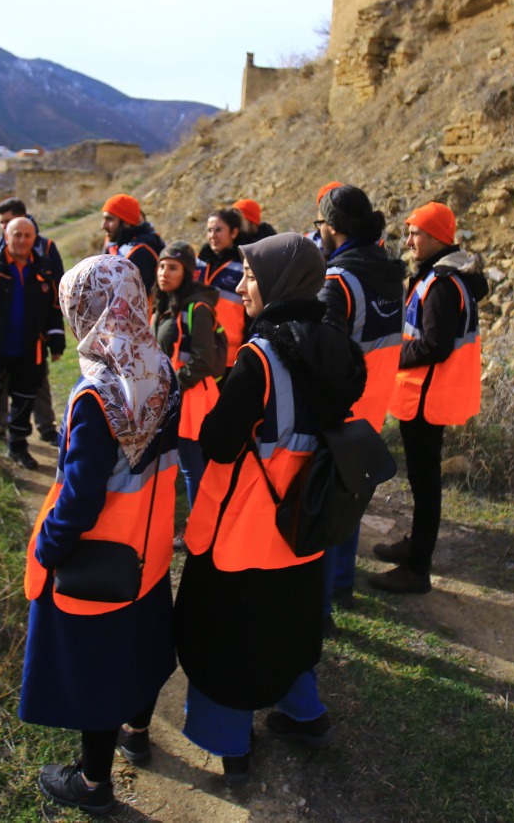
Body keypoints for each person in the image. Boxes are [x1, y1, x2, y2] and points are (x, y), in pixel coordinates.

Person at [175, 233, 365, 784]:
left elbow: (219, 443)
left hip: (245, 528)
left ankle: (230, 745)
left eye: (252, 277)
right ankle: (307, 715)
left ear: (280, 283)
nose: (240, 286)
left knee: (225, 636)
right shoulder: (336, 345)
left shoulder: (261, 355)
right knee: (289, 624)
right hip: (305, 525)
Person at [21, 254, 182, 816]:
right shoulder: (161, 368)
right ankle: (138, 731)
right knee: (141, 647)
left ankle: (92, 784)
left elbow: (81, 496)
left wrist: (47, 547)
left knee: (95, 670)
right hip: (150, 550)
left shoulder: (94, 396)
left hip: (100, 563)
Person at [372, 201, 487, 595]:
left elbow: (435, 346)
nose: (408, 241)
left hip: (426, 397)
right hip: (426, 395)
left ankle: (417, 569)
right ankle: (415, 546)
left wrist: (390, 359)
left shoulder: (441, 284)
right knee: (423, 481)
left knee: (425, 483)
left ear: (437, 237)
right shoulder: (445, 276)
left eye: (416, 233)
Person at [315, 184, 405, 613]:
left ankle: (324, 603)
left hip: (342, 412)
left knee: (325, 506)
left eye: (319, 225)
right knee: (352, 496)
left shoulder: (338, 280)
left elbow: (328, 356)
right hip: (376, 405)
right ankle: (343, 585)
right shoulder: (390, 272)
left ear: (332, 227)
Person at [0, 216, 65, 472]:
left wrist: (56, 341)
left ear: (35, 239)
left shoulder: (44, 270)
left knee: (24, 403)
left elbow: (53, 310)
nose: (22, 240)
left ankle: (18, 447)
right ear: (6, 236)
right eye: (17, 235)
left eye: (27, 235)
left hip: (30, 351)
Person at [151, 242, 223, 501]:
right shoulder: (163, 306)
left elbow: (204, 359)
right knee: (182, 466)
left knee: (193, 468)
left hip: (191, 399)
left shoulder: (198, 308)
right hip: (172, 397)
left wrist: (172, 385)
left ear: (188, 273)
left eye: (173, 268)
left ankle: (200, 534)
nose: (164, 273)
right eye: (161, 266)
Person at [196, 207, 246, 368]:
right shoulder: (198, 265)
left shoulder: (244, 268)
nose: (212, 235)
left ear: (234, 232)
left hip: (229, 356)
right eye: (209, 230)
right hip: (197, 352)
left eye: (218, 230)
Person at [101, 193, 165, 293]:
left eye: (109, 219)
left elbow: (131, 299)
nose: (103, 225)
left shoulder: (140, 253)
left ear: (126, 222)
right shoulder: (115, 241)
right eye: (104, 219)